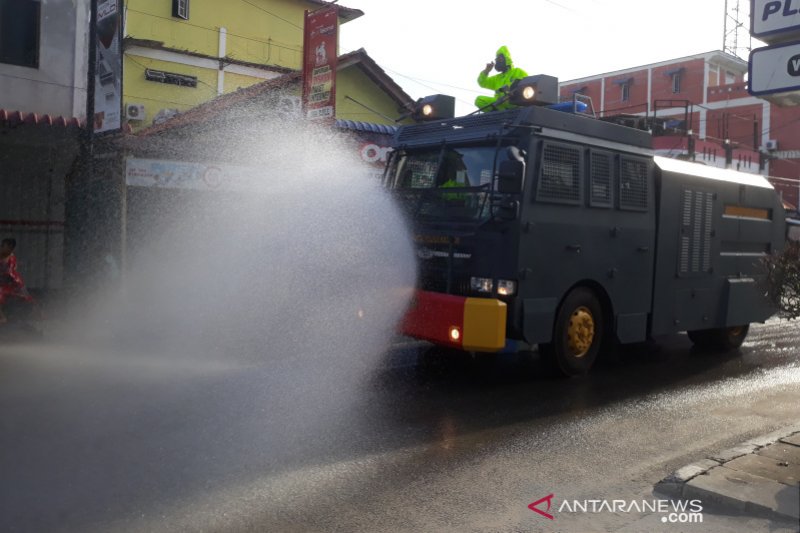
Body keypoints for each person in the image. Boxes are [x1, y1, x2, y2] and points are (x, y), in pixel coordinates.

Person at [474, 46, 528, 111]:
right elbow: (482, 83)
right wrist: (486, 71)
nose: (497, 62)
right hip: (499, 104)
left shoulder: (518, 71)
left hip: (514, 103)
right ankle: (497, 116)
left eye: (499, 59)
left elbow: (528, 87)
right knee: (479, 100)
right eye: (496, 60)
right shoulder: (497, 78)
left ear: (506, 59)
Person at [0, 238, 34, 324]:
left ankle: (5, 317)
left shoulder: (11, 259)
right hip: (4, 284)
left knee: (26, 296)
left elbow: (11, 273)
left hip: (10, 283)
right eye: (3, 246)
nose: (2, 248)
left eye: (11, 248)